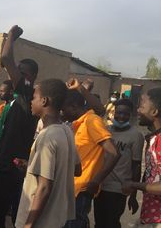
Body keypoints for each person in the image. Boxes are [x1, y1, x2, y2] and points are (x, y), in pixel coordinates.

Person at [0, 25, 38, 228]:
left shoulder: (27, 93)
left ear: (29, 77)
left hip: (9, 169)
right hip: (6, 164)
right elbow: (15, 132)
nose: (14, 72)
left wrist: (12, 36)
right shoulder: (20, 101)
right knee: (2, 214)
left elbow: (6, 58)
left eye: (20, 71)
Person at [16, 79, 78, 228]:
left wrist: (28, 224)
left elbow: (44, 187)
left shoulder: (47, 137)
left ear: (44, 101)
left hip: (42, 221)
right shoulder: (66, 131)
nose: (31, 101)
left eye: (34, 97)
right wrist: (31, 168)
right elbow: (76, 169)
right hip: (57, 219)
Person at [62, 89, 120, 228]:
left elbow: (114, 153)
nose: (62, 113)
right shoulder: (78, 124)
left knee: (76, 223)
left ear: (74, 107)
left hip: (83, 188)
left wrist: (96, 180)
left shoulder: (91, 121)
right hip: (73, 186)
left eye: (64, 110)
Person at [93, 98, 144, 228]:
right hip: (100, 185)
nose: (121, 116)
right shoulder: (105, 130)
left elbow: (136, 165)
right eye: (119, 112)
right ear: (114, 113)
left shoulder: (135, 135)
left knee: (111, 222)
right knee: (99, 222)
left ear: (131, 115)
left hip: (118, 188)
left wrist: (133, 195)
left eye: (126, 114)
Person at [122, 87, 161, 226]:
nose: (137, 110)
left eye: (142, 106)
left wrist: (134, 185)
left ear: (154, 112)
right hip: (151, 216)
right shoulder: (153, 139)